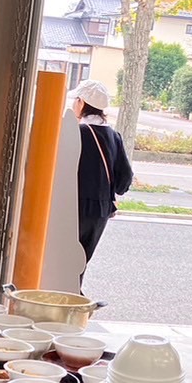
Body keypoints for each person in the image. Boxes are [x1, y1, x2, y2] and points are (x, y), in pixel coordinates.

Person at [71, 79, 133, 274]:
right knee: (80, 264)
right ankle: (76, 299)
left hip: (74, 207)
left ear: (81, 103)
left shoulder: (76, 132)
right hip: (101, 211)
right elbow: (125, 179)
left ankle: (67, 299)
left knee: (64, 261)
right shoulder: (114, 136)